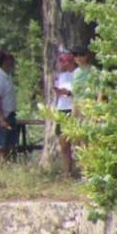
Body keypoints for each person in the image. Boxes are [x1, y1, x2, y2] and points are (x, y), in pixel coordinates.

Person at [0, 50, 19, 161]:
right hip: (1, 117)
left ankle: (8, 164)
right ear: (5, 61)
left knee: (10, 144)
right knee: (1, 144)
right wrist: (1, 119)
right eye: (10, 59)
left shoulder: (8, 75)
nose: (13, 61)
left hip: (10, 115)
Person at [53, 48, 77, 176]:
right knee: (63, 143)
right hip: (61, 109)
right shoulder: (61, 76)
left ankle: (83, 171)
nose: (62, 63)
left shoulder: (77, 74)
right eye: (60, 60)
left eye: (64, 60)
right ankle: (67, 171)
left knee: (77, 140)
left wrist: (67, 92)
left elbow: (79, 93)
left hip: (73, 109)